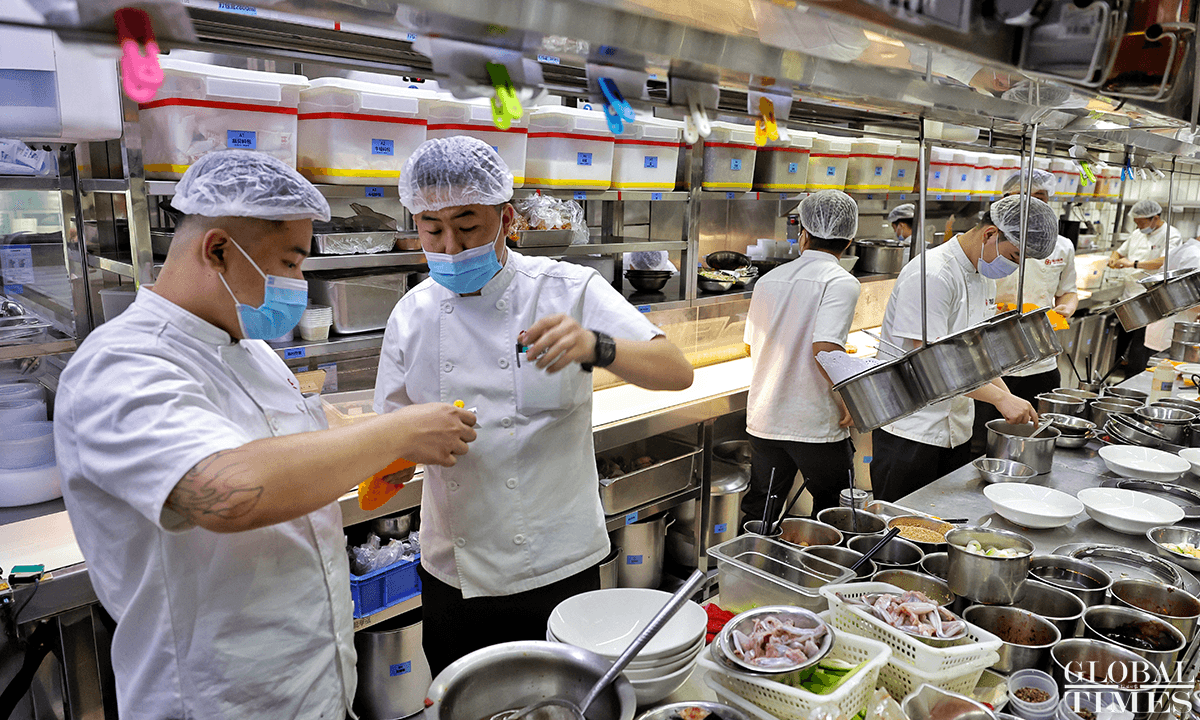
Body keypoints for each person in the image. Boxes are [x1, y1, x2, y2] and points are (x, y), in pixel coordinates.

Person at [53, 150, 478, 719]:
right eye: (290, 263)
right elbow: (224, 490)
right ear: (218, 250)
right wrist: (397, 432)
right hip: (215, 703)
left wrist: (390, 443)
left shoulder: (249, 351)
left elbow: (301, 437)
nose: (298, 284)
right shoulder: (122, 366)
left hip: (310, 692)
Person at [373, 136, 694, 676]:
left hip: (558, 564)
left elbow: (676, 370)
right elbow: (392, 440)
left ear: (506, 220)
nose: (450, 246)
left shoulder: (566, 289)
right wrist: (404, 449)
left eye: (468, 226)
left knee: (565, 699)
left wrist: (596, 346)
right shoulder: (411, 315)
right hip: (455, 572)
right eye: (432, 228)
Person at [870, 194, 1059, 503]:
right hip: (911, 431)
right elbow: (931, 364)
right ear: (990, 234)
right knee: (901, 525)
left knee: (944, 521)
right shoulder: (932, 275)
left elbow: (978, 355)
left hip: (956, 430)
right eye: (1014, 256)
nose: (1014, 267)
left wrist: (1010, 397)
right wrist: (1000, 399)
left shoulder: (983, 276)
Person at [742, 190, 861, 523]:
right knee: (835, 512)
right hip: (814, 424)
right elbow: (825, 349)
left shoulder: (767, 280)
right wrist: (849, 400)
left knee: (761, 514)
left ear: (803, 235)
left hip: (766, 420)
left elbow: (751, 346)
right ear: (849, 241)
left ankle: (750, 557)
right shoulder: (841, 282)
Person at [989, 170, 1079, 395]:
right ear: (1006, 199)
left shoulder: (1062, 246)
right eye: (1025, 197)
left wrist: (1066, 309)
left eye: (1040, 198)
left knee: (1040, 417)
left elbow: (1068, 291)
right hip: (994, 360)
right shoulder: (989, 242)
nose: (1033, 205)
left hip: (1042, 358)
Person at [1109, 199, 1183, 373]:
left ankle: (1131, 382)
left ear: (1154, 218)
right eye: (1136, 223)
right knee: (1118, 347)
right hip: (1128, 297)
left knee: (1139, 349)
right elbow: (1120, 251)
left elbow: (1164, 261)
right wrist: (1114, 258)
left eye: (1141, 223)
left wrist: (1133, 264)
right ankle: (1109, 379)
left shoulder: (1171, 234)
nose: (1138, 226)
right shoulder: (1137, 233)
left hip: (1149, 301)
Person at [1145, 232, 1200, 352]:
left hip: (1160, 326)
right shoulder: (1197, 257)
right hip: (1174, 331)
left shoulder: (1181, 250)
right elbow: (1189, 300)